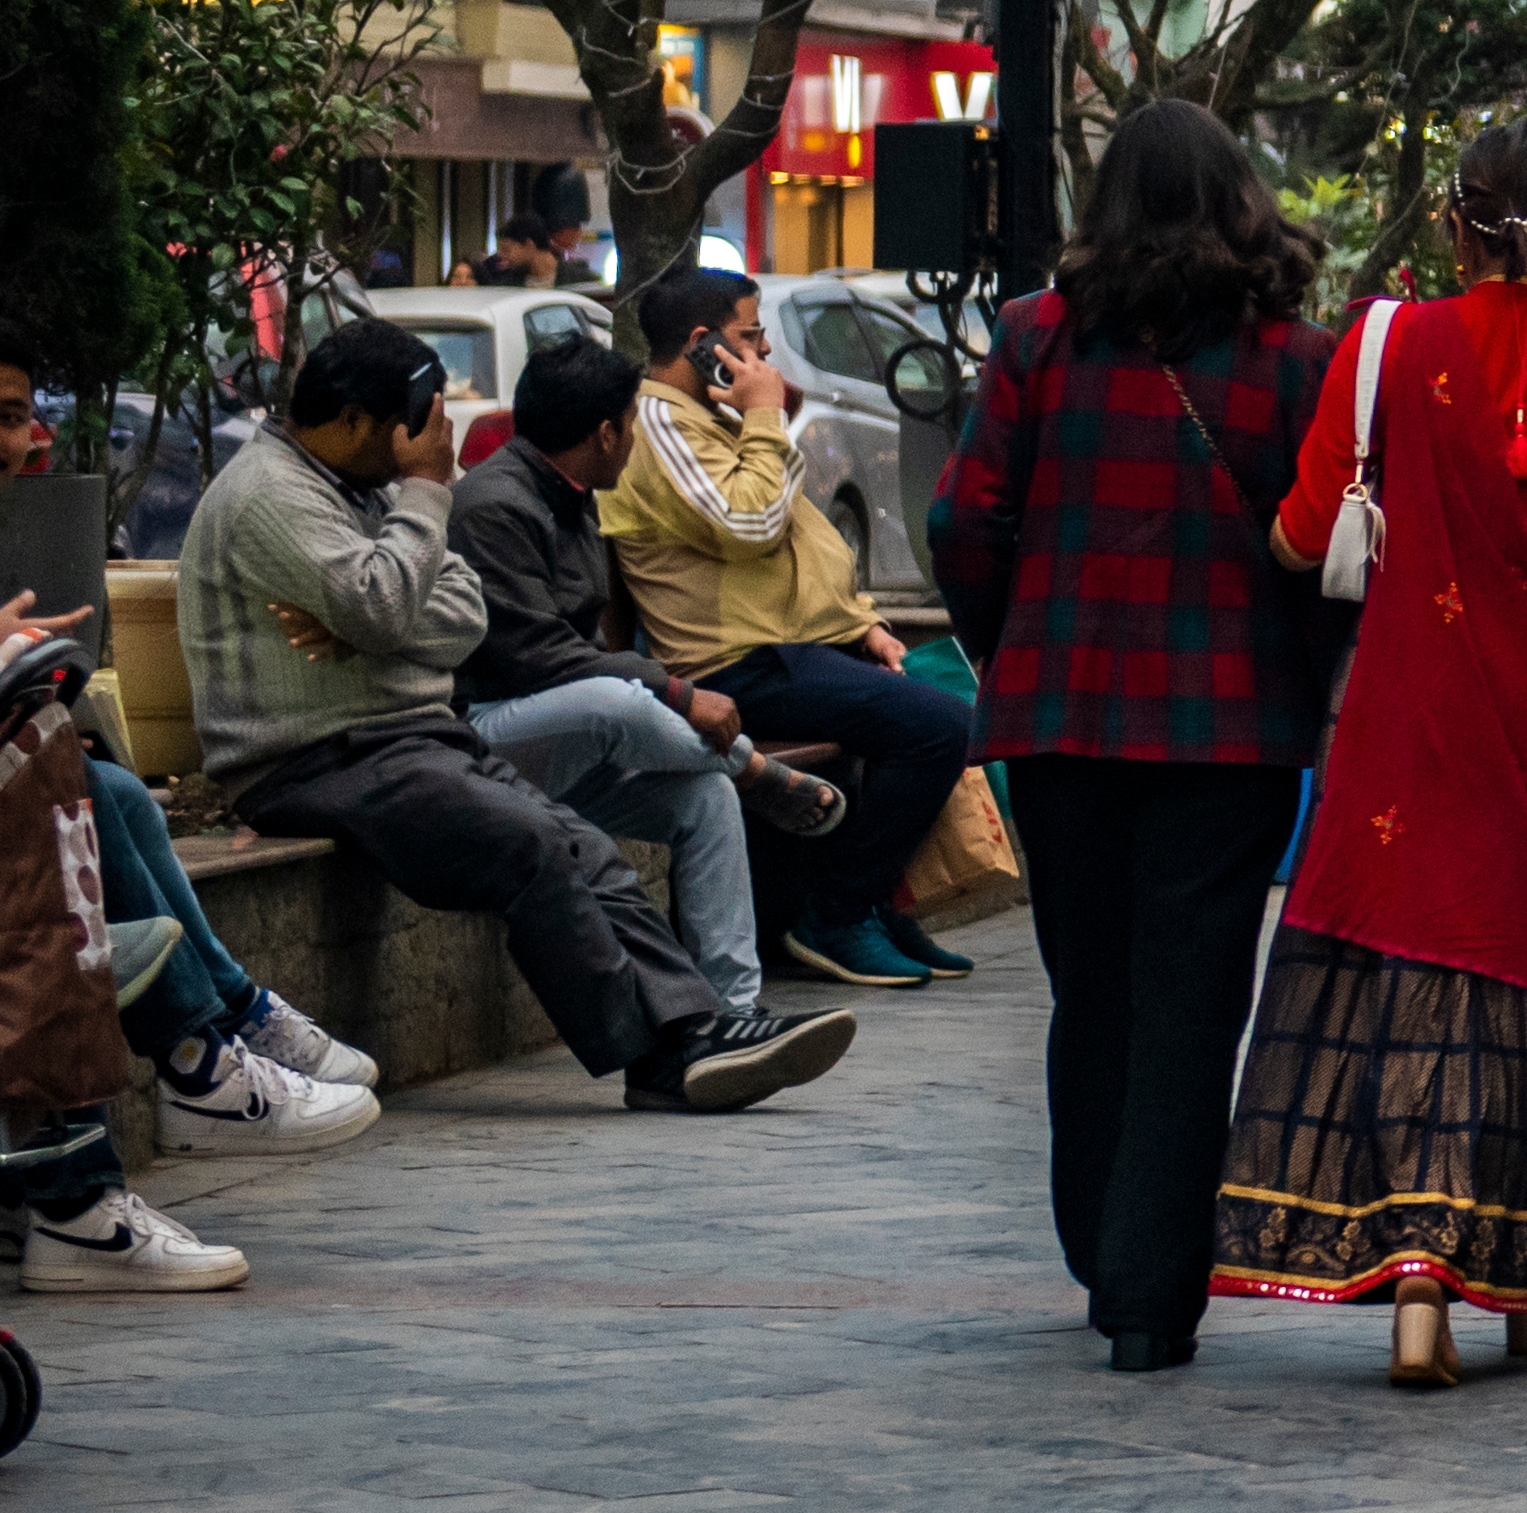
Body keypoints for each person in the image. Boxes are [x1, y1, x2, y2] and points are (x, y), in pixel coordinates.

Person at [1216, 118, 1527, 1387]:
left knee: (1417, 963)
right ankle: (1526, 1283)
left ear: (1452, 225)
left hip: (1407, 721)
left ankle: (1416, 1280)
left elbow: (1301, 536)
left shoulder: (1386, 346)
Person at [182, 324, 841, 1145]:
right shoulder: (275, 495)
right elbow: (383, 605)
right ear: (354, 420)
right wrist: (422, 507)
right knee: (529, 844)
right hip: (313, 757)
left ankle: (696, 1028)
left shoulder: (366, 490)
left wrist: (378, 616)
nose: (428, 446)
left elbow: (462, 614)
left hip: (412, 738)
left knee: (583, 843)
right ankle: (664, 1055)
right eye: (414, 426)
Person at [926, 101, 1341, 1377]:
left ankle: (1097, 1239)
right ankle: (1149, 1292)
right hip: (1229, 725)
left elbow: (964, 519)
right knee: (1192, 1002)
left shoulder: (1035, 336)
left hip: (1060, 716)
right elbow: (1325, 544)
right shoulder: (1296, 358)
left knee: (1091, 988)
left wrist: (1011, 639)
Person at [0, 309, 369, 1169]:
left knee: (113, 790)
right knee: (76, 801)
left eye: (11, 416)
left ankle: (230, 1022)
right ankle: (196, 1062)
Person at [460, 338, 851, 1053]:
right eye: (633, 426)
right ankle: (753, 767)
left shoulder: (575, 496)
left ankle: (732, 1008)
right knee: (618, 702)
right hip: (485, 734)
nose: (637, 440)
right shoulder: (493, 505)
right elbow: (532, 656)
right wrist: (672, 689)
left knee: (705, 797)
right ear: (605, 433)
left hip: (563, 736)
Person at [609, 267, 983, 992]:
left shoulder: (714, 417)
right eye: (750, 337)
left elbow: (801, 541)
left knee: (936, 706)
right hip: (729, 665)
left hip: (786, 649)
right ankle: (839, 913)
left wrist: (864, 627)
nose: (764, 353)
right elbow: (751, 523)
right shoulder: (659, 424)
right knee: (939, 728)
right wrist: (765, 417)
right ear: (703, 342)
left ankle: (870, 903)